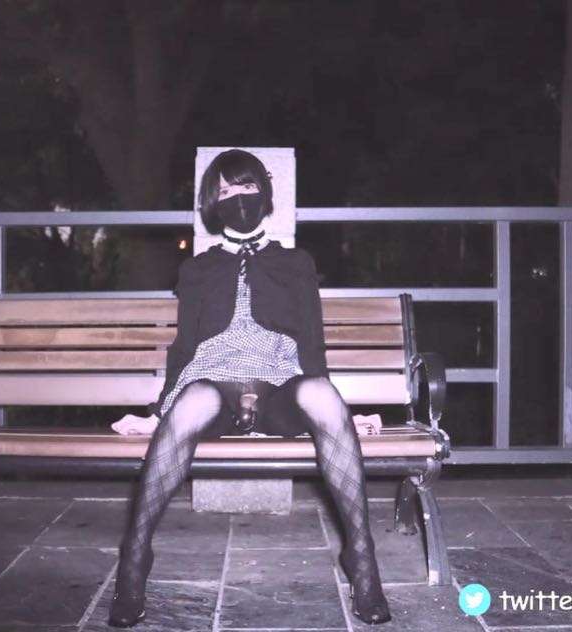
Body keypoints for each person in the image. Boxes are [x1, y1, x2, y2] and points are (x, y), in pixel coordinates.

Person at [108, 149, 391, 627]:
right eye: (225, 190)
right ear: (211, 203)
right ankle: (134, 562)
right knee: (192, 400)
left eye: (246, 186)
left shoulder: (295, 263)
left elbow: (312, 344)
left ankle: (362, 561)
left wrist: (338, 412)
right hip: (214, 385)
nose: (237, 197)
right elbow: (184, 347)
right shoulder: (198, 269)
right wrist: (159, 413)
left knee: (322, 397)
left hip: (279, 387)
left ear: (264, 193)